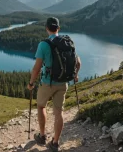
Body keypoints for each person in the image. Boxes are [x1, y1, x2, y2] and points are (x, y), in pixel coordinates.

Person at [27, 17, 81, 151]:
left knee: (41, 106)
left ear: (46, 28)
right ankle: (55, 143)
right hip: (63, 83)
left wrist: (31, 83)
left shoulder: (44, 44)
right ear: (58, 29)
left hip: (47, 83)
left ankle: (42, 135)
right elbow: (78, 62)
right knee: (59, 112)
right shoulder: (67, 42)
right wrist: (75, 75)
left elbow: (37, 68)